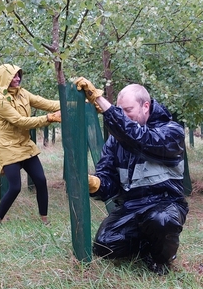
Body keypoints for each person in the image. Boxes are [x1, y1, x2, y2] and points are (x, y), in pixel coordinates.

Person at [74, 77, 188, 275]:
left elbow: (141, 139)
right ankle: (147, 244)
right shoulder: (115, 142)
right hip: (132, 208)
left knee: (161, 220)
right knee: (105, 245)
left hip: (165, 203)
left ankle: (161, 258)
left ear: (146, 106)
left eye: (128, 111)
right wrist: (95, 183)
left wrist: (102, 103)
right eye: (120, 111)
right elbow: (109, 179)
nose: (124, 116)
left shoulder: (171, 132)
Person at [0, 64, 61, 226]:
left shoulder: (23, 93)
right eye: (13, 76)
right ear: (4, 79)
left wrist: (75, 101)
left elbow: (47, 104)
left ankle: (44, 220)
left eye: (18, 75)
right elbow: (20, 122)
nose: (17, 79)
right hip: (7, 146)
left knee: (40, 180)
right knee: (15, 187)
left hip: (24, 144)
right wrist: (49, 118)